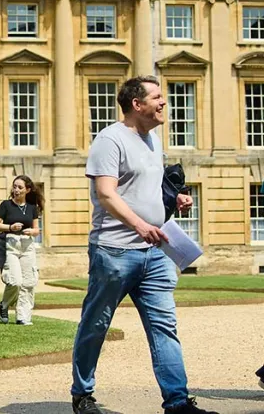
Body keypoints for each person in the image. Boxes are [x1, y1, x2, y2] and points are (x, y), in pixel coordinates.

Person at [70, 76, 217, 414]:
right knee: (96, 323)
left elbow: (148, 186)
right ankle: (83, 393)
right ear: (137, 105)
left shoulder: (154, 141)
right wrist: (139, 224)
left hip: (156, 253)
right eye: (157, 97)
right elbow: (106, 194)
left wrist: (173, 197)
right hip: (114, 251)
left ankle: (177, 402)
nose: (164, 102)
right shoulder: (110, 140)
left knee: (164, 326)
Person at [0, 175, 43, 326]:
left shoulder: (32, 208)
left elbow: (36, 229)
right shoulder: (6, 205)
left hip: (27, 246)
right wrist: (10, 228)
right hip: (10, 245)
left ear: (27, 190)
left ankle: (23, 317)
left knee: (28, 282)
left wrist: (33, 232)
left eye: (20, 187)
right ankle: (5, 304)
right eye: (14, 187)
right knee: (15, 281)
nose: (16, 190)